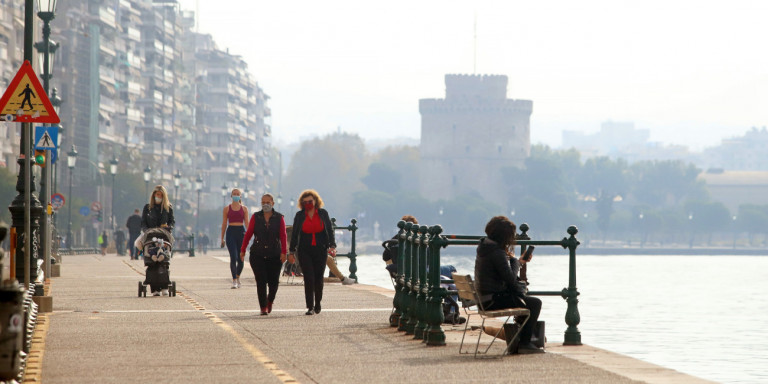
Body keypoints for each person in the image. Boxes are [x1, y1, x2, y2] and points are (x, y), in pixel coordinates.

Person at [475, 215, 542, 352]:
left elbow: (506, 275)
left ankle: (518, 340)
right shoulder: (496, 253)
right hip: (493, 301)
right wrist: (514, 262)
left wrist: (517, 262)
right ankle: (524, 343)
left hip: (484, 299)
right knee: (535, 303)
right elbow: (511, 280)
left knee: (525, 301)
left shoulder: (484, 247)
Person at [288, 189, 336, 315]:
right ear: (302, 204)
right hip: (304, 249)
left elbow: (329, 230)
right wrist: (291, 251)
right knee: (308, 277)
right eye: (305, 202)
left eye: (310, 201)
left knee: (318, 278)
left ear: (315, 201)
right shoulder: (299, 216)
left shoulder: (322, 213)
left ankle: (318, 303)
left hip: (320, 248)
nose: (308, 204)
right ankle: (310, 306)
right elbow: (295, 234)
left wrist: (332, 245)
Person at [240, 193, 287, 315]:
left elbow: (283, 236)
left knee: (274, 282)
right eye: (263, 202)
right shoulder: (256, 217)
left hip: (274, 254)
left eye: (268, 202)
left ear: (273, 203)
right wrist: (243, 249)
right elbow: (248, 233)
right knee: (261, 281)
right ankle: (263, 307)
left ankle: (270, 300)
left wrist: (284, 252)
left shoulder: (279, 218)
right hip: (257, 254)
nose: (265, 204)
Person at [140, 185, 175, 296]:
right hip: (150, 234)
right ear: (154, 195)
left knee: (164, 258)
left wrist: (168, 228)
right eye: (156, 194)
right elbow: (143, 222)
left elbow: (172, 222)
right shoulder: (148, 208)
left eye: (160, 195)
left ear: (163, 196)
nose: (158, 197)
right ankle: (154, 288)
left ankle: (164, 285)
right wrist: (146, 230)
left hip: (164, 234)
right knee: (151, 259)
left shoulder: (168, 208)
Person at [221, 188, 249, 289]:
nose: (236, 195)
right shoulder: (227, 209)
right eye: (234, 194)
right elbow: (224, 223)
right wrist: (222, 238)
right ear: (231, 196)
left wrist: (249, 235)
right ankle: (234, 280)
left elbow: (247, 223)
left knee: (241, 258)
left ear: (240, 196)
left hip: (241, 232)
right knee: (233, 256)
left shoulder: (244, 209)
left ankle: (237, 277)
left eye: (238, 194)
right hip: (231, 232)